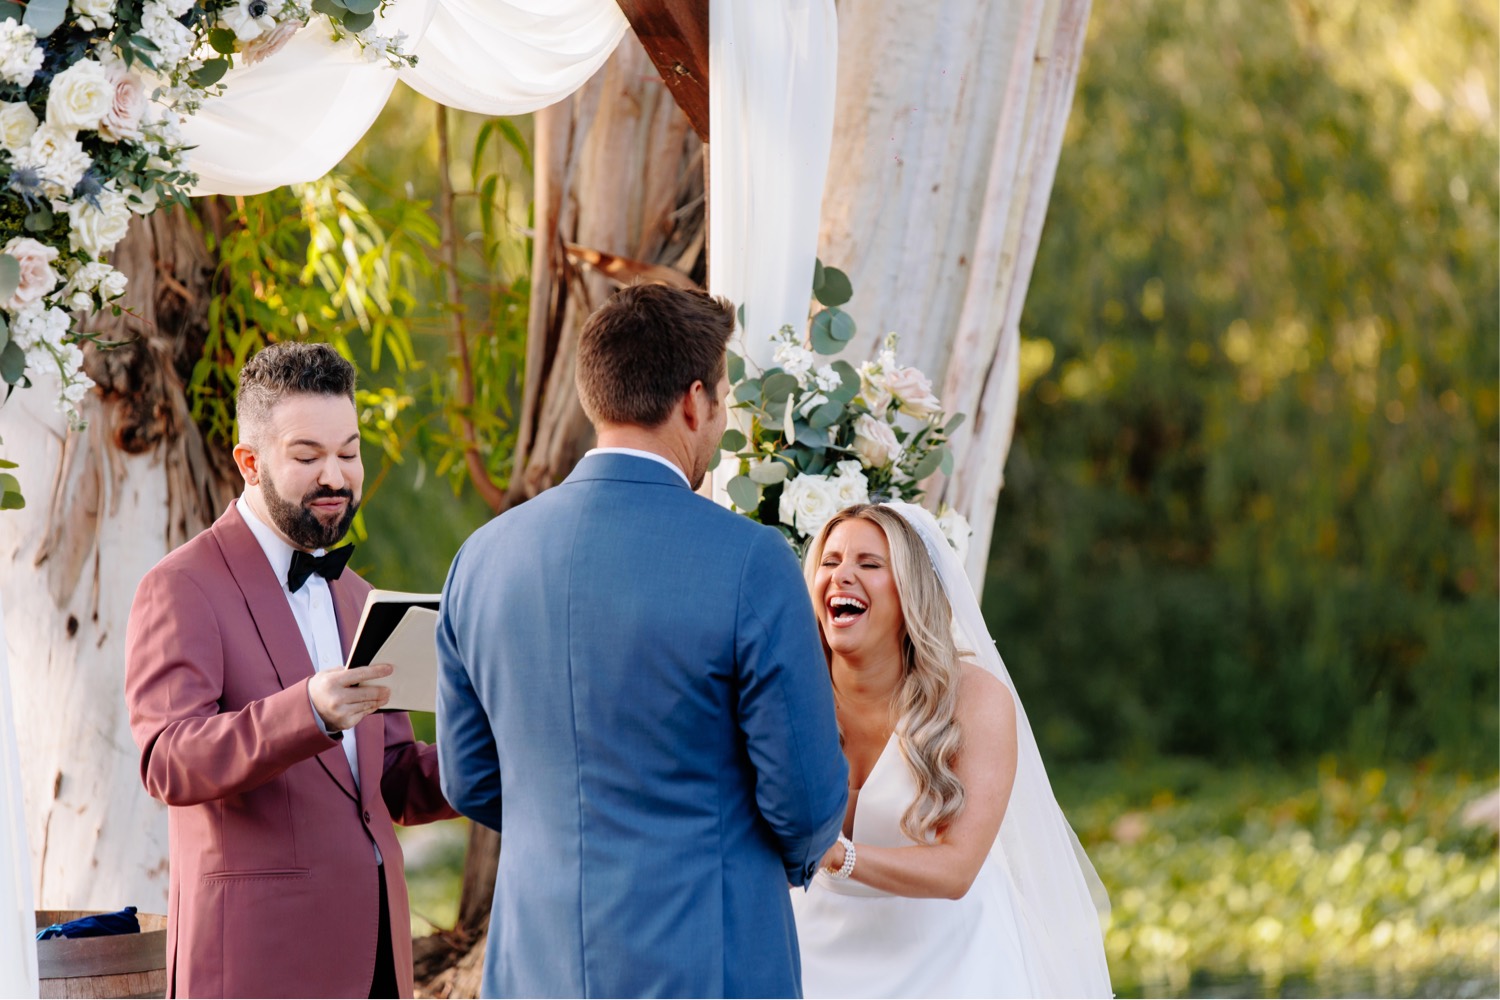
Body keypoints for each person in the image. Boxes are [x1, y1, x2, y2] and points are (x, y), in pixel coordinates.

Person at [436, 283, 849, 998]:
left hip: (536, 962)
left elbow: (469, 777)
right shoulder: (750, 561)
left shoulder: (481, 558)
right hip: (707, 957)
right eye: (721, 400)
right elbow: (807, 800)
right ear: (695, 401)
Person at [124, 342, 455, 998]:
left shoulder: (359, 596)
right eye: (307, 457)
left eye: (350, 452)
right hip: (256, 962)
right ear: (250, 462)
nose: (335, 477)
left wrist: (498, 754)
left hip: (378, 963)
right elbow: (166, 760)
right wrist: (309, 711)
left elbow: (387, 783)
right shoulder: (181, 587)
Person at [791, 502, 1113, 998]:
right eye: (830, 562)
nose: (842, 576)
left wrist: (839, 855)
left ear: (911, 594)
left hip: (949, 962)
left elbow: (958, 868)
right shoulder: (787, 692)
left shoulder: (974, 700)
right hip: (809, 951)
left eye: (869, 564)